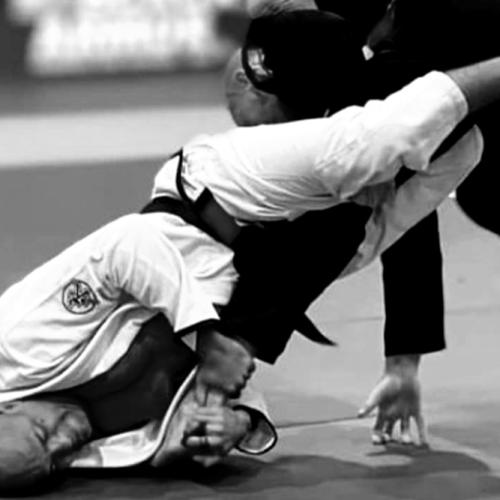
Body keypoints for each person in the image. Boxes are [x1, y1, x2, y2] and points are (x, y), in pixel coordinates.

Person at [222, 0, 500, 444]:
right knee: (481, 193)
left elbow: (332, 240)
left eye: (265, 127)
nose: (275, 139)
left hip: (453, 49)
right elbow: (407, 223)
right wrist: (403, 362)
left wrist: (243, 340)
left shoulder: (373, 92)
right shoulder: (362, 100)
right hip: (460, 97)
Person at [0, 213, 277, 492]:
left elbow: (127, 242)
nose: (63, 444)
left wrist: (206, 335)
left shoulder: (17, 341)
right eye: (52, 464)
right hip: (268, 288)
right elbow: (226, 372)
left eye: (42, 434)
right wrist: (238, 422)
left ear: (7, 408)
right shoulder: (128, 452)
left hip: (225, 213)